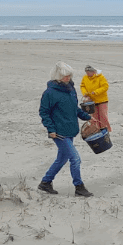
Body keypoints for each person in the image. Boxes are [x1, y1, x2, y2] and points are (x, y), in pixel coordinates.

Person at [37, 61, 94, 198]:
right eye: (64, 76)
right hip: (58, 132)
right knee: (75, 159)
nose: (67, 78)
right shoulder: (50, 93)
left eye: (69, 75)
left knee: (62, 159)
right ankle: (79, 187)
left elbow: (75, 109)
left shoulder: (71, 89)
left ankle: (45, 182)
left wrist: (88, 117)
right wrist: (50, 129)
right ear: (57, 76)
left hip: (70, 130)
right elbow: (44, 112)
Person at [80, 65, 111, 133]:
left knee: (103, 116)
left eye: (88, 72)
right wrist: (85, 93)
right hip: (91, 101)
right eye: (86, 72)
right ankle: (96, 130)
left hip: (102, 100)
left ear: (93, 72)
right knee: (94, 117)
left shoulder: (100, 77)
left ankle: (105, 130)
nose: (87, 73)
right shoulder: (85, 77)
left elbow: (105, 86)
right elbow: (82, 86)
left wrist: (96, 92)